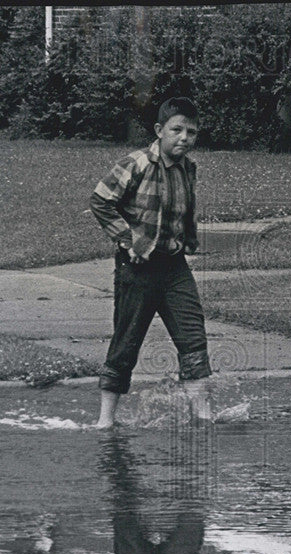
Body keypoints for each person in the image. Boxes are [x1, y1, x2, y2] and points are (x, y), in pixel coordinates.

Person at [90, 97, 212, 427]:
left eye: (192, 132)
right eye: (177, 130)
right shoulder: (138, 163)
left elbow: (184, 211)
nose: (184, 138)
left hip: (174, 268)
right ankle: (105, 420)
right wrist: (128, 240)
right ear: (159, 131)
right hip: (137, 268)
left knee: (193, 336)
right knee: (126, 341)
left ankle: (203, 414)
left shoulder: (189, 168)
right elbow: (101, 201)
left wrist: (188, 241)